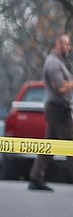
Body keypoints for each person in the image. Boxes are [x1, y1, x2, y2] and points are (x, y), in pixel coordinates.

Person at [28, 33, 73, 191]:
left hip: (58, 108)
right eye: (67, 44)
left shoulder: (58, 62)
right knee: (70, 144)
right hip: (57, 109)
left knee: (49, 145)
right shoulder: (53, 63)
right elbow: (59, 88)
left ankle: (36, 177)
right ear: (58, 44)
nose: (69, 47)